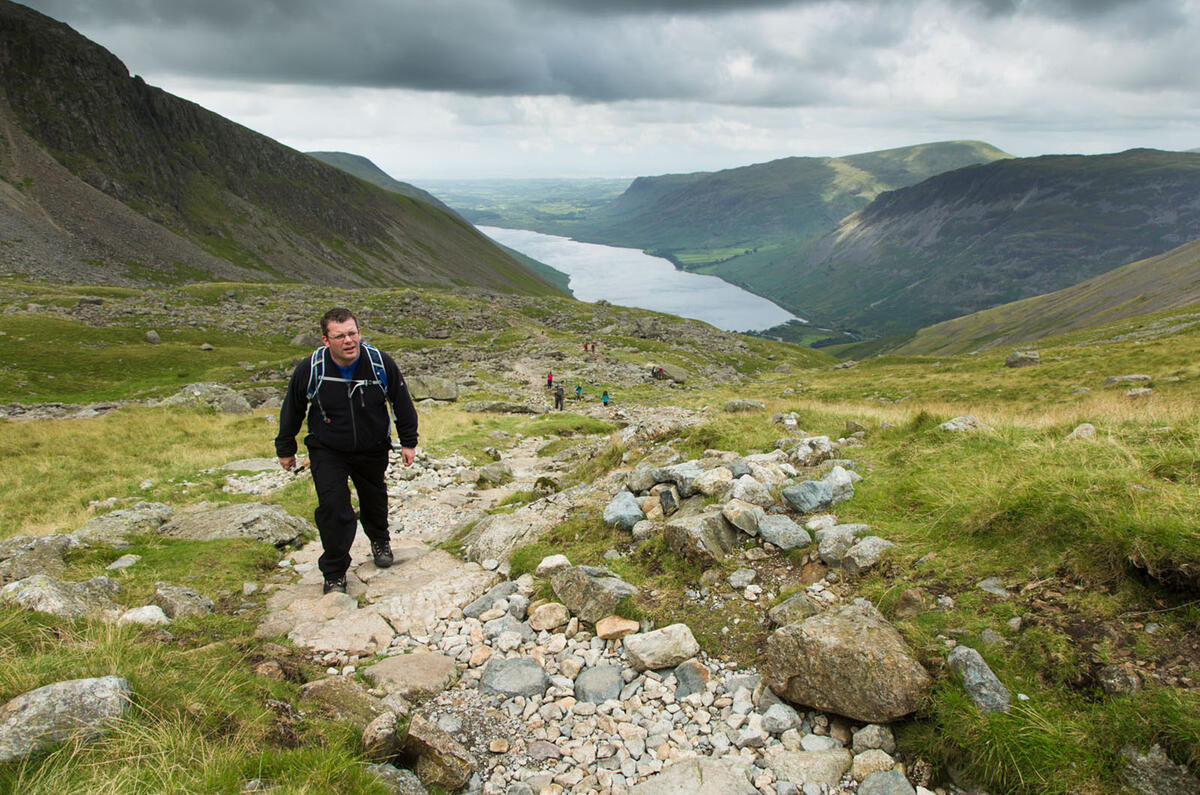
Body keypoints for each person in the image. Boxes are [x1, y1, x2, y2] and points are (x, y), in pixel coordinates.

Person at [276, 308, 418, 595]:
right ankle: (335, 572)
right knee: (333, 508)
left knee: (374, 498)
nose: (348, 341)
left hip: (372, 446)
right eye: (340, 336)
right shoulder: (311, 368)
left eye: (352, 333)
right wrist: (286, 447)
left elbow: (401, 400)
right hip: (328, 449)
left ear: (359, 333)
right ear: (326, 340)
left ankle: (380, 541)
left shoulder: (379, 362)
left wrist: (408, 441)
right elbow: (292, 408)